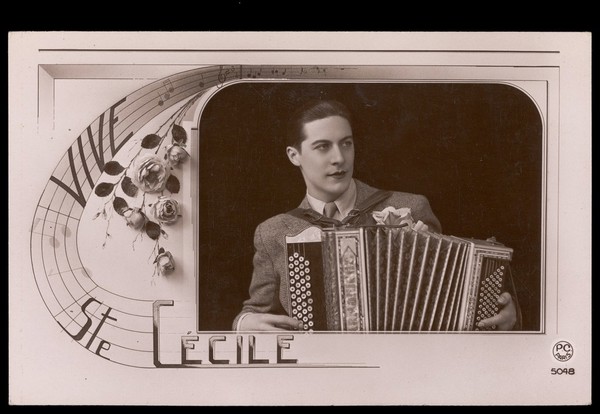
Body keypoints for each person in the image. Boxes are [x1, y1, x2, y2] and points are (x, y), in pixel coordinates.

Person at [233, 99, 517, 331]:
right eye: (323, 146)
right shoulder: (273, 232)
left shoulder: (411, 206)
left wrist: (502, 310)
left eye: (346, 143)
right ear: (294, 155)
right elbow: (255, 311)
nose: (339, 158)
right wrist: (243, 324)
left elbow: (450, 292)